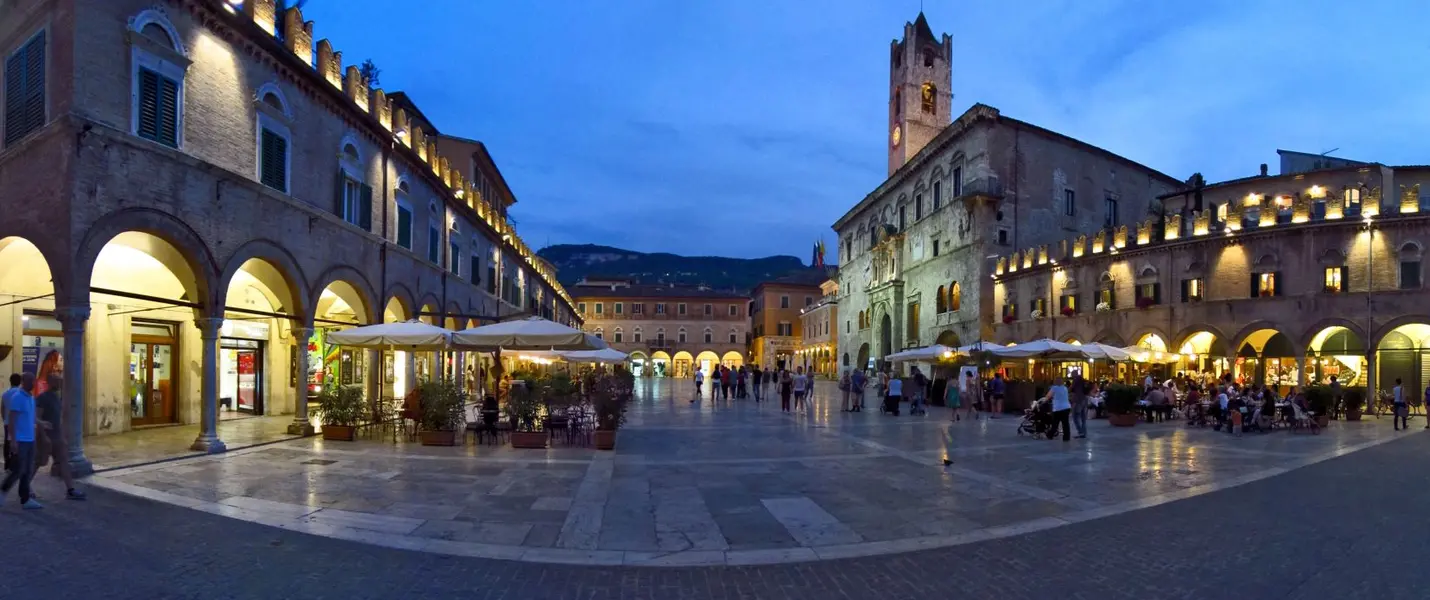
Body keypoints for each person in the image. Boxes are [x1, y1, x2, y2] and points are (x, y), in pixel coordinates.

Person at [33, 374, 83, 500]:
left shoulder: (57, 398)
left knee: (64, 462)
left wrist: (62, 436)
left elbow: (58, 419)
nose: (59, 384)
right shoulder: (42, 398)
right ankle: (25, 487)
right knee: (39, 462)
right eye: (57, 382)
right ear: (49, 382)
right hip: (46, 438)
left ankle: (70, 490)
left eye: (60, 382)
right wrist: (43, 437)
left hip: (57, 437)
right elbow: (38, 419)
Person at [1, 373, 41, 508]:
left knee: (28, 470)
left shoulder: (31, 398)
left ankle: (25, 499)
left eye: (33, 381)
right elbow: (12, 420)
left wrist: (41, 423)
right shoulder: (17, 397)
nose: (32, 383)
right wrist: (13, 441)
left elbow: (32, 417)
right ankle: (3, 491)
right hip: (20, 440)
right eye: (29, 381)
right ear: (23, 381)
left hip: (30, 439)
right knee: (17, 469)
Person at [1044, 376, 1071, 441]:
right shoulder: (1065, 388)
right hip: (1067, 407)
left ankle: (1050, 435)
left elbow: (1048, 396)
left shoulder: (1054, 388)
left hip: (1058, 408)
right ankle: (1066, 437)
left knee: (1055, 423)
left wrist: (1045, 399)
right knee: (1065, 424)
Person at [2, 373, 19, 472]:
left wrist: (5, 419)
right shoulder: (21, 393)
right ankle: (14, 464)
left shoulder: (5, 394)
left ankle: (7, 464)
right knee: (17, 442)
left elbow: (2, 408)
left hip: (7, 422)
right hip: (17, 423)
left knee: (7, 443)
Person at [1069, 374, 1089, 438]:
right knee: (1083, 418)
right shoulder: (1083, 382)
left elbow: (1070, 389)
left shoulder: (1075, 380)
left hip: (1078, 400)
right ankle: (1084, 433)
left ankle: (1080, 432)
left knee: (1075, 417)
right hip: (1084, 400)